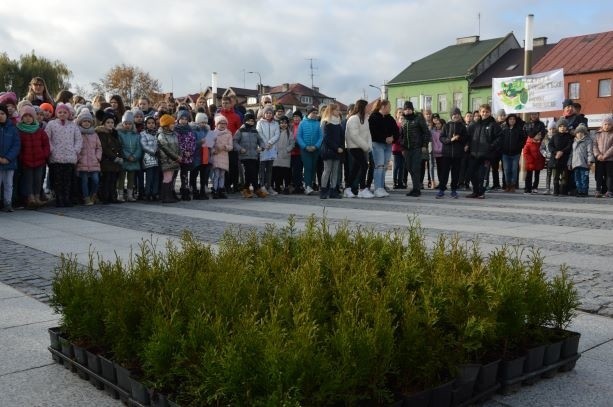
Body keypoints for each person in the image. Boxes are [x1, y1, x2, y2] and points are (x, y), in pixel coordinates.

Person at [45, 103, 82, 207]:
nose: (62, 114)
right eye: (60, 112)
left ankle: (67, 198)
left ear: (68, 114)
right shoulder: (51, 124)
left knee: (68, 180)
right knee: (58, 180)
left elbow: (78, 139)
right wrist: (52, 149)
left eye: (65, 112)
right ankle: (59, 199)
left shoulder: (73, 126)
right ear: (56, 113)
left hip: (70, 157)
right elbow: (47, 138)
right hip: (56, 157)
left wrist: (75, 150)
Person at [465, 104, 502, 199]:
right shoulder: (475, 124)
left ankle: (481, 192)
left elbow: (500, 138)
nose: (484, 113)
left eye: (486, 112)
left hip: (486, 155)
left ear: (489, 112)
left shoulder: (493, 124)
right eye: (483, 112)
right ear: (480, 112)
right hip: (474, 153)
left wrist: (491, 146)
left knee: (482, 175)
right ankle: (475, 191)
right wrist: (468, 145)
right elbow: (469, 137)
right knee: (471, 173)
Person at [16, 105, 49, 208]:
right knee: (28, 180)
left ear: (33, 117)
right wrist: (22, 157)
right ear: (21, 118)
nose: (27, 118)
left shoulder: (39, 131)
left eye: (30, 116)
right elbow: (18, 146)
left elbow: (46, 144)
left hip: (39, 160)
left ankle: (37, 197)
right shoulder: (19, 131)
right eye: (25, 116)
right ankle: (30, 198)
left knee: (38, 180)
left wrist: (44, 155)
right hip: (27, 161)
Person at [368, 99, 399, 198]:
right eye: (389, 106)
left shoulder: (390, 118)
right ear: (383, 106)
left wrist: (393, 138)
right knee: (379, 166)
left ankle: (382, 187)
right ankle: (377, 188)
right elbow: (372, 132)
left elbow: (396, 131)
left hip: (388, 145)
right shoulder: (373, 117)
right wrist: (384, 138)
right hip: (377, 144)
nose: (390, 108)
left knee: (384, 166)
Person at [400, 101, 431, 197]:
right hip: (406, 149)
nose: (407, 111)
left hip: (417, 147)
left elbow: (426, 132)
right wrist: (402, 146)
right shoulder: (403, 120)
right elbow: (401, 135)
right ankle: (415, 187)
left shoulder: (418, 118)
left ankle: (416, 189)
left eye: (409, 109)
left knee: (415, 168)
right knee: (409, 168)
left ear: (412, 109)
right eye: (405, 109)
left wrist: (424, 145)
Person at [344, 100, 373, 198]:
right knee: (364, 165)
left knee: (356, 168)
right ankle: (362, 189)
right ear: (362, 107)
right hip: (354, 147)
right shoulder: (353, 119)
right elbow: (354, 135)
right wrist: (365, 146)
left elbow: (368, 134)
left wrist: (368, 146)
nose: (368, 108)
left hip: (361, 147)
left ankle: (347, 188)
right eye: (366, 106)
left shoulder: (365, 118)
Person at [234, 111, 267, 198]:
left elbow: (261, 141)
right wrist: (240, 149)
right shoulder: (240, 130)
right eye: (248, 121)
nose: (250, 122)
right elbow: (235, 141)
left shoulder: (255, 131)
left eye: (252, 121)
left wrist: (262, 147)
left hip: (254, 155)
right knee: (250, 171)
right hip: (244, 156)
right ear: (245, 121)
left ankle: (245, 188)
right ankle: (256, 188)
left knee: (252, 173)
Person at [437, 107, 467, 198]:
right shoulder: (446, 125)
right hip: (447, 154)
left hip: (458, 154)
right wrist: (450, 139)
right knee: (444, 173)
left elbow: (466, 139)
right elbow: (441, 138)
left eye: (457, 114)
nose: (456, 116)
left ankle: (454, 190)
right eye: (454, 114)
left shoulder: (462, 126)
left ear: (460, 115)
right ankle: (441, 189)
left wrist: (459, 138)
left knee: (456, 173)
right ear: (451, 116)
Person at [75, 109, 101, 205]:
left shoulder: (94, 134)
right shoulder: (78, 133)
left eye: (88, 121)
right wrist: (78, 158)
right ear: (80, 122)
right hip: (82, 162)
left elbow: (99, 147)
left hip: (94, 162)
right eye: (84, 121)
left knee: (96, 180)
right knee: (84, 181)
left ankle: (93, 194)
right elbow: (76, 146)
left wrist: (98, 157)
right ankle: (86, 198)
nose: (86, 123)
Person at [115, 111, 143, 202]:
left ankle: (130, 195)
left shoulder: (136, 135)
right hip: (124, 159)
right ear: (122, 124)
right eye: (125, 123)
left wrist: (135, 156)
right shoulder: (119, 134)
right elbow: (120, 146)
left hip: (134, 160)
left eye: (129, 124)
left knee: (131, 178)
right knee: (121, 178)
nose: (127, 125)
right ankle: (120, 194)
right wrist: (127, 156)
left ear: (132, 124)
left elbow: (139, 147)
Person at [296, 105, 323, 195]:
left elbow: (321, 137)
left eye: (316, 113)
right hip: (305, 150)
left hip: (315, 149)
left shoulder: (317, 123)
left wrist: (316, 146)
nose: (315, 114)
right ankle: (307, 186)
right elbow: (299, 137)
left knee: (313, 168)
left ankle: (310, 185)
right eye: (313, 113)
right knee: (308, 167)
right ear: (308, 113)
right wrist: (305, 146)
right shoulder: (302, 123)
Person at [319, 104, 345, 199]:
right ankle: (323, 190)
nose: (339, 112)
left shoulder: (339, 122)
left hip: (338, 150)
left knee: (335, 171)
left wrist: (341, 147)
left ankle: (333, 190)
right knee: (327, 170)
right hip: (328, 150)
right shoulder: (326, 122)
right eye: (337, 110)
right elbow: (326, 138)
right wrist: (336, 148)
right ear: (332, 110)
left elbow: (342, 137)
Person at [0, 104, 20, 212]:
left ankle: (8, 203)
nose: (0, 116)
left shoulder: (13, 128)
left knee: (8, 184)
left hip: (9, 162)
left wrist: (8, 158)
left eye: (2, 113)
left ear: (6, 115)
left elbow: (16, 145)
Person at [499, 114, 526, 193]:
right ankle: (507, 185)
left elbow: (523, 140)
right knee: (506, 170)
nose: (512, 120)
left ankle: (513, 185)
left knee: (514, 170)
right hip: (505, 153)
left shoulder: (519, 129)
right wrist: (502, 148)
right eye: (510, 119)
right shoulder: (504, 129)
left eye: (513, 119)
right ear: (507, 120)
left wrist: (519, 147)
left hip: (515, 153)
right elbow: (500, 140)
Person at [256, 105, 280, 195]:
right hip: (263, 148)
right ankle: (262, 186)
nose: (268, 114)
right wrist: (266, 144)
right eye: (267, 113)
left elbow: (277, 134)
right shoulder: (260, 123)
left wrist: (270, 142)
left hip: (272, 148)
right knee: (262, 168)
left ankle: (268, 186)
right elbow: (259, 133)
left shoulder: (276, 123)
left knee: (270, 169)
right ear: (264, 114)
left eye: (270, 113)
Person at [157, 114, 180, 203]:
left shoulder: (174, 135)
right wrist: (176, 157)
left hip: (174, 160)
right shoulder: (161, 135)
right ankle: (165, 196)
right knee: (167, 178)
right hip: (166, 161)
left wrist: (179, 155)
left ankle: (169, 195)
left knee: (171, 178)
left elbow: (178, 147)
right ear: (166, 126)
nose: (173, 125)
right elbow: (166, 149)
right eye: (172, 124)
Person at [174, 110, 196, 201]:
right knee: (174, 173)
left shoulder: (190, 130)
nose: (183, 121)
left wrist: (190, 152)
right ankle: (172, 190)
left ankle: (185, 189)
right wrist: (183, 151)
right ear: (178, 119)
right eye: (181, 119)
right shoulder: (175, 130)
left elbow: (193, 142)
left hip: (188, 157)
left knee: (185, 174)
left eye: (185, 119)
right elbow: (176, 143)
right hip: (178, 156)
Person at [210, 115, 233, 199]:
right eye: (220, 123)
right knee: (216, 174)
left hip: (224, 156)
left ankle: (221, 189)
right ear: (216, 124)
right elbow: (208, 146)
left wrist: (225, 147)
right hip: (216, 156)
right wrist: (213, 151)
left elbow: (231, 146)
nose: (223, 125)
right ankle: (215, 189)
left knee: (222, 174)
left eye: (224, 123)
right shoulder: (212, 133)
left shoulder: (229, 134)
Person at [548, 118, 573, 196]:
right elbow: (550, 145)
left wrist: (562, 152)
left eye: (564, 126)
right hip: (555, 160)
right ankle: (556, 191)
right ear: (558, 127)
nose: (562, 128)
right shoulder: (555, 136)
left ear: (566, 127)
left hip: (564, 160)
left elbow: (569, 146)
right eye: (560, 126)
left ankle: (563, 191)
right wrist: (556, 152)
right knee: (555, 176)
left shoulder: (568, 136)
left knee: (564, 177)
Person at [567, 124, 594, 197]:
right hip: (575, 164)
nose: (579, 134)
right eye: (578, 133)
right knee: (577, 179)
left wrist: (590, 161)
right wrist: (569, 163)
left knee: (584, 178)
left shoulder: (588, 141)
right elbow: (571, 154)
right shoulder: (574, 142)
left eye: (581, 132)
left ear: (584, 133)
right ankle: (579, 191)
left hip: (584, 164)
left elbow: (590, 152)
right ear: (575, 134)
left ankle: (584, 191)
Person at [189, 112, 210, 200]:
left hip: (204, 156)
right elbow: (191, 143)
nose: (204, 124)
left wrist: (210, 141)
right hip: (196, 155)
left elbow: (209, 142)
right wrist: (199, 143)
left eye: (205, 123)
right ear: (197, 122)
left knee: (203, 175)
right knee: (194, 174)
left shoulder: (206, 130)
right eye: (202, 122)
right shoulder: (193, 130)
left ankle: (202, 190)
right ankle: (194, 190)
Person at [272, 116, 295, 194]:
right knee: (277, 172)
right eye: (281, 123)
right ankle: (277, 186)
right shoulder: (276, 132)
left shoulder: (290, 133)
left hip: (286, 155)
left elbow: (292, 143)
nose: (283, 124)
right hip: (277, 155)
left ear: (287, 124)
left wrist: (287, 150)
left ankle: (286, 187)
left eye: (285, 123)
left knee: (286, 172)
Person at [140, 116, 160, 201]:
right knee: (149, 176)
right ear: (145, 124)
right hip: (148, 159)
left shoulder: (158, 133)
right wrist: (154, 152)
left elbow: (161, 143)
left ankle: (155, 193)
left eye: (152, 123)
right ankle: (148, 193)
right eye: (149, 123)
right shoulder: (143, 134)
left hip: (158, 158)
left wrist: (160, 151)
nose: (151, 125)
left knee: (156, 176)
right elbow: (144, 146)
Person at [593, 116, 613, 198]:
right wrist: (598, 155)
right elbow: (594, 145)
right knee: (599, 175)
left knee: (609, 176)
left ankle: (609, 191)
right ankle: (598, 190)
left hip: (610, 159)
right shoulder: (598, 134)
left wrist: (605, 156)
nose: (607, 126)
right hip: (599, 159)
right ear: (602, 125)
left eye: (609, 124)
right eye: (605, 124)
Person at [522, 127, 546, 195]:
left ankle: (535, 187)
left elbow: (542, 152)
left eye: (540, 134)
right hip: (531, 163)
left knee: (537, 176)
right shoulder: (528, 144)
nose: (540, 136)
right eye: (538, 134)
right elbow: (525, 153)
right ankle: (527, 189)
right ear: (533, 135)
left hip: (538, 163)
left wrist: (543, 158)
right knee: (529, 176)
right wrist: (530, 160)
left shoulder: (541, 143)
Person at [290, 110, 304, 193]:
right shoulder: (291, 126)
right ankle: (293, 185)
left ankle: (298, 185)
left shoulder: (302, 126)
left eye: (298, 117)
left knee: (298, 169)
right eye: (294, 117)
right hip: (291, 151)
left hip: (300, 151)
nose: (296, 118)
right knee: (292, 170)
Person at [540, 121, 556, 195]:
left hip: (555, 158)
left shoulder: (557, 137)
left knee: (555, 174)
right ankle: (547, 189)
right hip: (548, 159)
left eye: (553, 128)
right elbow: (541, 148)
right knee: (548, 174)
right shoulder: (545, 139)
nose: (552, 130)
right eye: (550, 129)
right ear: (548, 129)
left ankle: (555, 188)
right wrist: (544, 153)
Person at [392, 108, 406, 189]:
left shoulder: (404, 125)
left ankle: (400, 182)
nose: (401, 114)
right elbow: (395, 137)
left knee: (402, 166)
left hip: (403, 149)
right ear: (396, 115)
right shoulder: (395, 125)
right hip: (396, 148)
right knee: (397, 166)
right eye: (399, 112)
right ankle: (395, 182)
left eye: (402, 113)